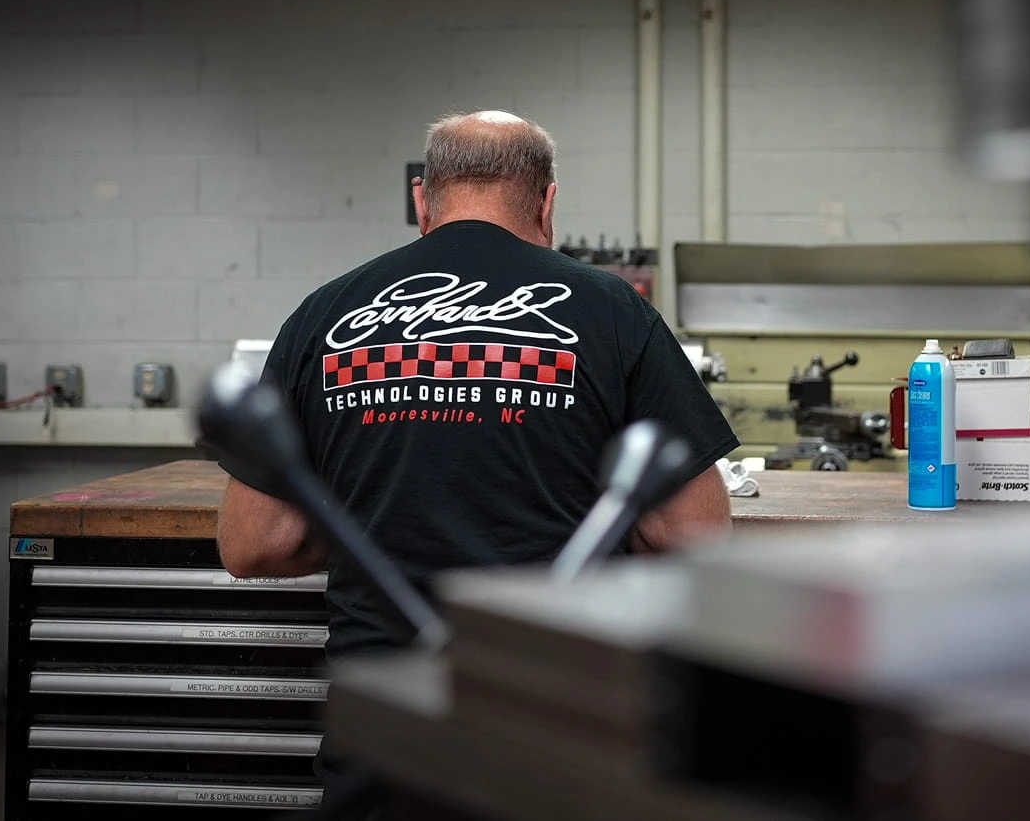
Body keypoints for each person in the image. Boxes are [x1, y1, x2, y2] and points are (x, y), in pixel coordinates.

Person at [214, 109, 740, 812]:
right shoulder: (613, 309)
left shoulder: (323, 312)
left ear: (422, 199)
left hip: (387, 730)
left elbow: (253, 543)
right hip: (561, 719)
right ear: (547, 202)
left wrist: (373, 521)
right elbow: (693, 536)